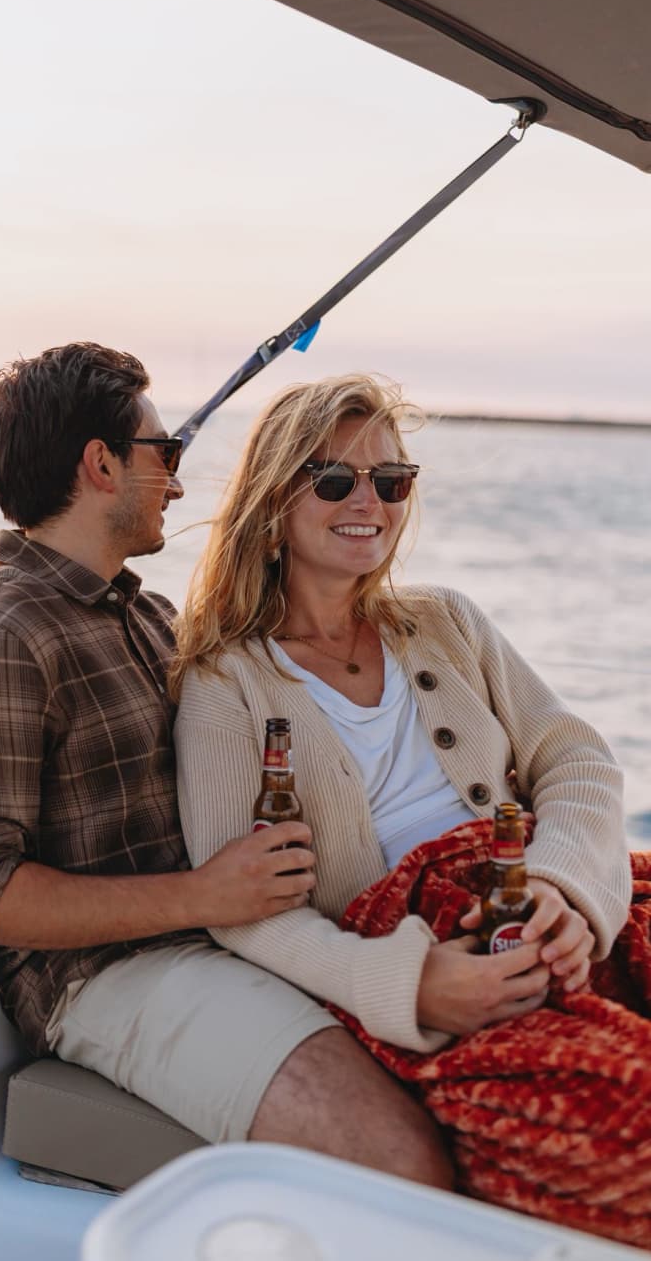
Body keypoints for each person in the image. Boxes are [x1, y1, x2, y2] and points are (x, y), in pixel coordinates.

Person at [0, 344, 452, 1187]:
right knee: (398, 1157)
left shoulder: (149, 614)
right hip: (112, 978)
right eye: (166, 453)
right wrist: (201, 896)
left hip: (236, 935)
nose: (181, 482)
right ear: (101, 465)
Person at [173, 374, 631, 1055]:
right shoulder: (225, 682)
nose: (369, 501)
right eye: (333, 479)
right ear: (272, 501)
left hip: (537, 911)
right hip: (432, 970)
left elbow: (578, 760)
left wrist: (559, 884)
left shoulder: (445, 619)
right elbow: (244, 911)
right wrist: (405, 982)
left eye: (391, 480)